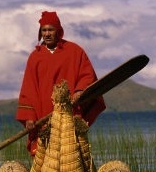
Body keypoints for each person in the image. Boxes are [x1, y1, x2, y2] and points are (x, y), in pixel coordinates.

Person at [16, 11, 106, 156]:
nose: (47, 34)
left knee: (72, 156)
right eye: (44, 30)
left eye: (50, 29)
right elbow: (29, 88)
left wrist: (79, 90)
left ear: (58, 30)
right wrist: (29, 116)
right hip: (43, 114)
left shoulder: (75, 51)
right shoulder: (35, 57)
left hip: (69, 113)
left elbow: (87, 74)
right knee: (47, 158)